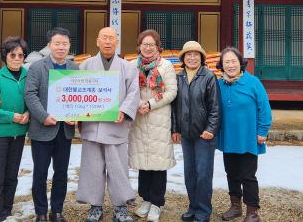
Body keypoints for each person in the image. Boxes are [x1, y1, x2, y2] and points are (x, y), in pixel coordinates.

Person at [77, 27, 140, 222]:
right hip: (92, 125)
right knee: (92, 168)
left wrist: (123, 111)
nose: (107, 41)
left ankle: (120, 208)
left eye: (111, 38)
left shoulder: (128, 67)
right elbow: (77, 93)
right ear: (97, 41)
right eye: (104, 38)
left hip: (115, 125)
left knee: (118, 167)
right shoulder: (85, 66)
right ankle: (95, 207)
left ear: (117, 42)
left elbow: (133, 93)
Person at [23, 27, 78, 222]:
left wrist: (76, 115)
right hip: (42, 129)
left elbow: (77, 97)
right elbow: (30, 94)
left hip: (65, 130)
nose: (61, 47)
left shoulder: (74, 68)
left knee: (61, 172)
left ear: (69, 45)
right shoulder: (37, 68)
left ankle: (57, 211)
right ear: (49, 45)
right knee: (40, 172)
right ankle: (40, 212)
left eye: (65, 43)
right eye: (57, 43)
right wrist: (43, 116)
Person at [216, 47, 272, 222]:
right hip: (228, 138)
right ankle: (235, 207)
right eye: (227, 62)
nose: (230, 65)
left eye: (234, 61)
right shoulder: (219, 84)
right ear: (222, 65)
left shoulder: (253, 82)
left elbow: (265, 108)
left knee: (248, 176)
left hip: (248, 138)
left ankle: (252, 212)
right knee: (231, 173)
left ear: (240, 63)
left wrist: (262, 131)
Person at [128, 29, 178, 222]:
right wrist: (139, 102)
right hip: (139, 118)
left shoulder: (166, 66)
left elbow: (171, 92)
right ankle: (146, 199)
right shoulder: (133, 65)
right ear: (139, 46)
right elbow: (128, 89)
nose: (148, 48)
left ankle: (157, 202)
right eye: (144, 44)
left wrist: (150, 104)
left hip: (158, 117)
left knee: (158, 162)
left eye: (152, 45)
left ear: (158, 47)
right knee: (143, 161)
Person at [0, 37, 31, 222]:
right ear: (5, 56)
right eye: (12, 55)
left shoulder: (28, 76)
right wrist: (11, 116)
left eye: (20, 55)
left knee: (12, 175)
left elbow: (33, 99)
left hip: (19, 134)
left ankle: (6, 210)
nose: (17, 58)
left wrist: (28, 113)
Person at [171, 40, 221, 222]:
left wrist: (211, 129)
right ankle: (193, 206)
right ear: (183, 58)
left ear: (201, 57)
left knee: (203, 173)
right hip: (186, 133)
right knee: (189, 172)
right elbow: (175, 106)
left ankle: (203, 210)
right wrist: (175, 129)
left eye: (196, 54)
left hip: (203, 134)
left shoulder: (208, 76)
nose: (192, 58)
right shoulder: (179, 77)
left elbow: (215, 107)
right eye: (188, 55)